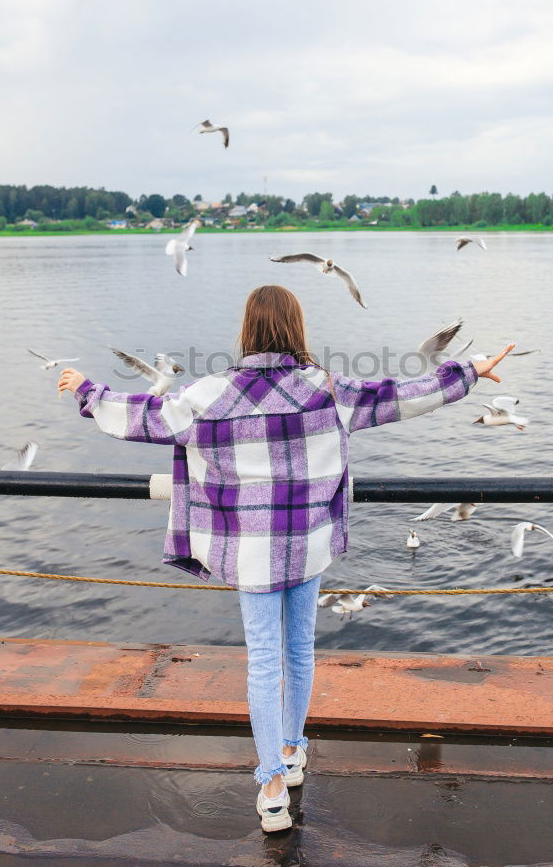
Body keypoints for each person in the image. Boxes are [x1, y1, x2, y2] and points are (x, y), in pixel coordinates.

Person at [58, 284, 512, 832]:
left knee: (262, 661)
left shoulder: (209, 395)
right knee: (300, 651)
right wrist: (469, 371)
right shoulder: (326, 388)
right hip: (307, 544)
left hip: (249, 552)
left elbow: (145, 416)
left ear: (247, 332)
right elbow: (400, 394)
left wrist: (88, 390)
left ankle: (272, 784)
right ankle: (293, 751)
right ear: (297, 329)